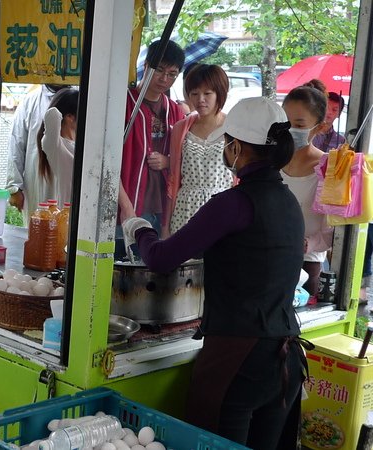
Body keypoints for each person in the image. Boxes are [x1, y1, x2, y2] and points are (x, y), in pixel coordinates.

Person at [122, 97, 307, 449]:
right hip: (285, 359)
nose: (225, 148)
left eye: (226, 143)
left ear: (236, 147)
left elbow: (161, 258)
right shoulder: (287, 201)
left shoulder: (232, 204)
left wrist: (140, 229)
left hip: (240, 359)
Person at [117, 39, 186, 257]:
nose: (164, 79)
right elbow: (105, 161)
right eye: (160, 70)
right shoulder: (124, 104)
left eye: (172, 74)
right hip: (128, 208)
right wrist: (125, 207)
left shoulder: (175, 111)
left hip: (162, 211)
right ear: (146, 65)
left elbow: (186, 157)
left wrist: (167, 161)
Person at [164, 64, 233, 237]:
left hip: (222, 209)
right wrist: (165, 227)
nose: (200, 99)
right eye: (194, 93)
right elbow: (173, 180)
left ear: (220, 93)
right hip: (184, 210)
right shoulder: (181, 128)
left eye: (207, 93)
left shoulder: (235, 128)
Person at [282, 80, 334, 296]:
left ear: (320, 127)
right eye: (285, 122)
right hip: (267, 258)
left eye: (300, 125)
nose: (290, 130)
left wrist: (308, 244)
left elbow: (333, 231)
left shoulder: (329, 169)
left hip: (306, 267)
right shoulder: (270, 161)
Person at [5, 84, 70, 224]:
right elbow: (16, 143)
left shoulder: (78, 97)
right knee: (38, 230)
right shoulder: (30, 102)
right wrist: (14, 187)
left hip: (69, 181)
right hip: (37, 179)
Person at [37, 88, 79, 205]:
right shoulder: (55, 145)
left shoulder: (79, 145)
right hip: (67, 213)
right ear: (69, 116)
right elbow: (53, 114)